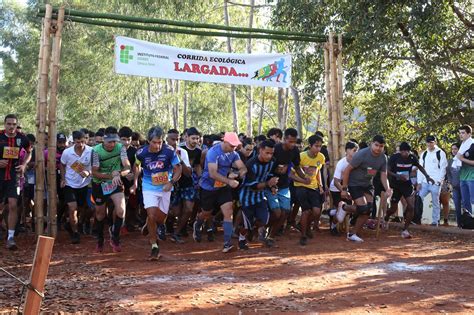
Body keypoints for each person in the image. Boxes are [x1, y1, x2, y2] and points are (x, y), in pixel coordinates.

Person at [130, 126, 182, 260]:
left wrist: (171, 183)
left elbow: (178, 169)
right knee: (152, 215)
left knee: (160, 219)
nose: (157, 145)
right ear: (148, 141)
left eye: (160, 142)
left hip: (165, 188)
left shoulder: (169, 151)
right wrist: (135, 182)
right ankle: (154, 246)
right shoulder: (141, 153)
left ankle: (149, 224)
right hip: (149, 187)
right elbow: (136, 166)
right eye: (154, 142)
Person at [194, 132, 247, 253]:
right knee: (206, 213)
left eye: (235, 146)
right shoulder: (213, 152)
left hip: (223, 187)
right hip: (208, 187)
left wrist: (237, 174)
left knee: (228, 212)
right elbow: (213, 173)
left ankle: (227, 243)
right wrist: (229, 180)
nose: (234, 148)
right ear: (225, 142)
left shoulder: (233, 153)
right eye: (232, 145)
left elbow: (243, 168)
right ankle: (198, 224)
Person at [340, 135, 392, 243]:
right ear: (371, 144)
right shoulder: (362, 154)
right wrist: (344, 189)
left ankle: (352, 233)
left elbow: (383, 175)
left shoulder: (383, 158)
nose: (378, 148)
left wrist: (388, 188)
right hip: (354, 184)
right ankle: (344, 207)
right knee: (363, 208)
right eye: (376, 145)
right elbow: (347, 171)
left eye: (381, 146)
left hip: (368, 184)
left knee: (368, 210)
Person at [265, 128, 307, 247]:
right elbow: (266, 165)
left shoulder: (294, 151)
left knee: (285, 212)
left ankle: (271, 236)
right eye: (290, 141)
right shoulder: (275, 149)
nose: (292, 144)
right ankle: (263, 228)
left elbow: (297, 166)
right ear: (284, 139)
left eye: (294, 142)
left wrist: (305, 177)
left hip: (284, 185)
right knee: (276, 212)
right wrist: (273, 175)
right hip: (270, 185)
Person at [91, 126, 131, 253]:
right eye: (109, 142)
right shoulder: (96, 151)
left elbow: (127, 166)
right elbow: (95, 172)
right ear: (104, 140)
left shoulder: (121, 148)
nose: (112, 144)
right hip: (100, 184)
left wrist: (119, 173)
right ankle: (100, 239)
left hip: (116, 182)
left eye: (114, 141)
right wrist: (111, 176)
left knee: (121, 211)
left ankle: (115, 237)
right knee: (100, 214)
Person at [385, 142, 433, 238]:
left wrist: (427, 176)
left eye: (407, 151)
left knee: (411, 206)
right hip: (396, 185)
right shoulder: (394, 157)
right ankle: (386, 218)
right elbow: (387, 171)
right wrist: (397, 176)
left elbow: (420, 167)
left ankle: (405, 229)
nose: (405, 153)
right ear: (400, 151)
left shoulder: (412, 157)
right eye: (403, 151)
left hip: (407, 185)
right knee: (393, 208)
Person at [238, 139, 277, 249]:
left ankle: (254, 231)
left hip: (260, 196)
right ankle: (241, 239)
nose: (269, 156)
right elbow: (253, 186)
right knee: (246, 225)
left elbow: (270, 176)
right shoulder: (251, 164)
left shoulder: (273, 162)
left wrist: (273, 186)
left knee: (264, 219)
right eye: (267, 153)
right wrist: (269, 184)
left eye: (271, 153)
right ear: (260, 150)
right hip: (247, 197)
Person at [0, 114, 31, 250]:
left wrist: (24, 165)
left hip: (13, 176)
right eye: (9, 124)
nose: (11, 127)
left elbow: (30, 152)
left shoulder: (22, 138)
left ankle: (11, 237)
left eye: (13, 124)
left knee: (13, 205)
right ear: (4, 124)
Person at [59, 130, 92, 244]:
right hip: (70, 184)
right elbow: (62, 165)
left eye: (83, 142)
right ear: (73, 141)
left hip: (84, 184)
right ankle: (75, 233)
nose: (81, 144)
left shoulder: (91, 151)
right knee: (72, 209)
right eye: (78, 142)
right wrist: (63, 179)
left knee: (83, 208)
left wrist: (88, 172)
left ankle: (73, 224)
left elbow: (96, 166)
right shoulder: (67, 153)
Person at [292, 135, 325, 245]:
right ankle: (303, 235)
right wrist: (302, 180)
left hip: (314, 187)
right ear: (310, 146)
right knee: (306, 211)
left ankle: (304, 227)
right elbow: (291, 174)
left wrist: (320, 185)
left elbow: (317, 172)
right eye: (316, 146)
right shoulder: (300, 156)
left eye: (320, 146)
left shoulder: (321, 157)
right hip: (300, 187)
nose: (318, 148)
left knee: (316, 211)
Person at [329, 141, 359, 235]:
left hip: (348, 187)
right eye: (354, 150)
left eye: (357, 151)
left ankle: (332, 212)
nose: (356, 152)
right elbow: (336, 181)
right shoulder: (341, 163)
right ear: (347, 151)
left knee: (348, 208)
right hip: (336, 188)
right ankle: (333, 226)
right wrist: (343, 191)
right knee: (341, 212)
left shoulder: (358, 163)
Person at [417, 135, 448, 226]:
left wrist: (439, 181)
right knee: (419, 199)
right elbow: (420, 168)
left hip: (435, 182)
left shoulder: (440, 153)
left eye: (431, 142)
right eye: (428, 142)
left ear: (435, 142)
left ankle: (435, 221)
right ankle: (417, 218)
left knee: (435, 202)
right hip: (425, 182)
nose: (429, 144)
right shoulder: (424, 154)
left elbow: (443, 168)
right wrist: (419, 182)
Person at [455, 125, 474, 213]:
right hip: (462, 177)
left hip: (472, 177)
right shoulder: (462, 145)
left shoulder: (472, 145)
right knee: (465, 202)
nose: (460, 135)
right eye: (460, 133)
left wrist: (461, 159)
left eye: (463, 133)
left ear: (469, 134)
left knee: (473, 201)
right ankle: (469, 223)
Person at [447, 143, 462, 226]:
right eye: (452, 149)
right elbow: (448, 173)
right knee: (457, 206)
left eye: (455, 149)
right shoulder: (450, 161)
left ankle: (468, 223)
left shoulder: (463, 160)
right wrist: (450, 183)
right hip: (455, 187)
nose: (453, 150)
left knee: (466, 205)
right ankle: (459, 224)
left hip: (464, 187)